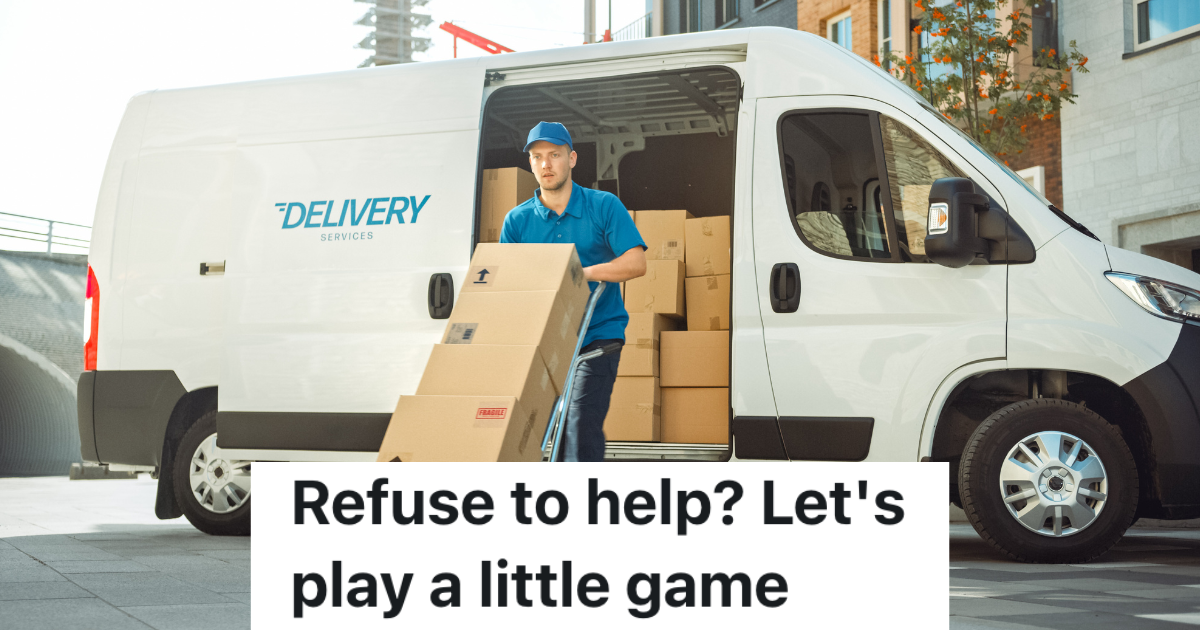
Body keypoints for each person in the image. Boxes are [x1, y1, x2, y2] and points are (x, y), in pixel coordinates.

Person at [500, 121, 647, 462]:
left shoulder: (603, 205)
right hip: (544, 341)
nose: (546, 164)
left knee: (578, 423)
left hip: (597, 336)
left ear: (572, 159)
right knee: (537, 431)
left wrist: (580, 274)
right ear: (530, 164)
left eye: (554, 155)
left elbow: (636, 263)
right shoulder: (517, 221)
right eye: (537, 157)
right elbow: (508, 285)